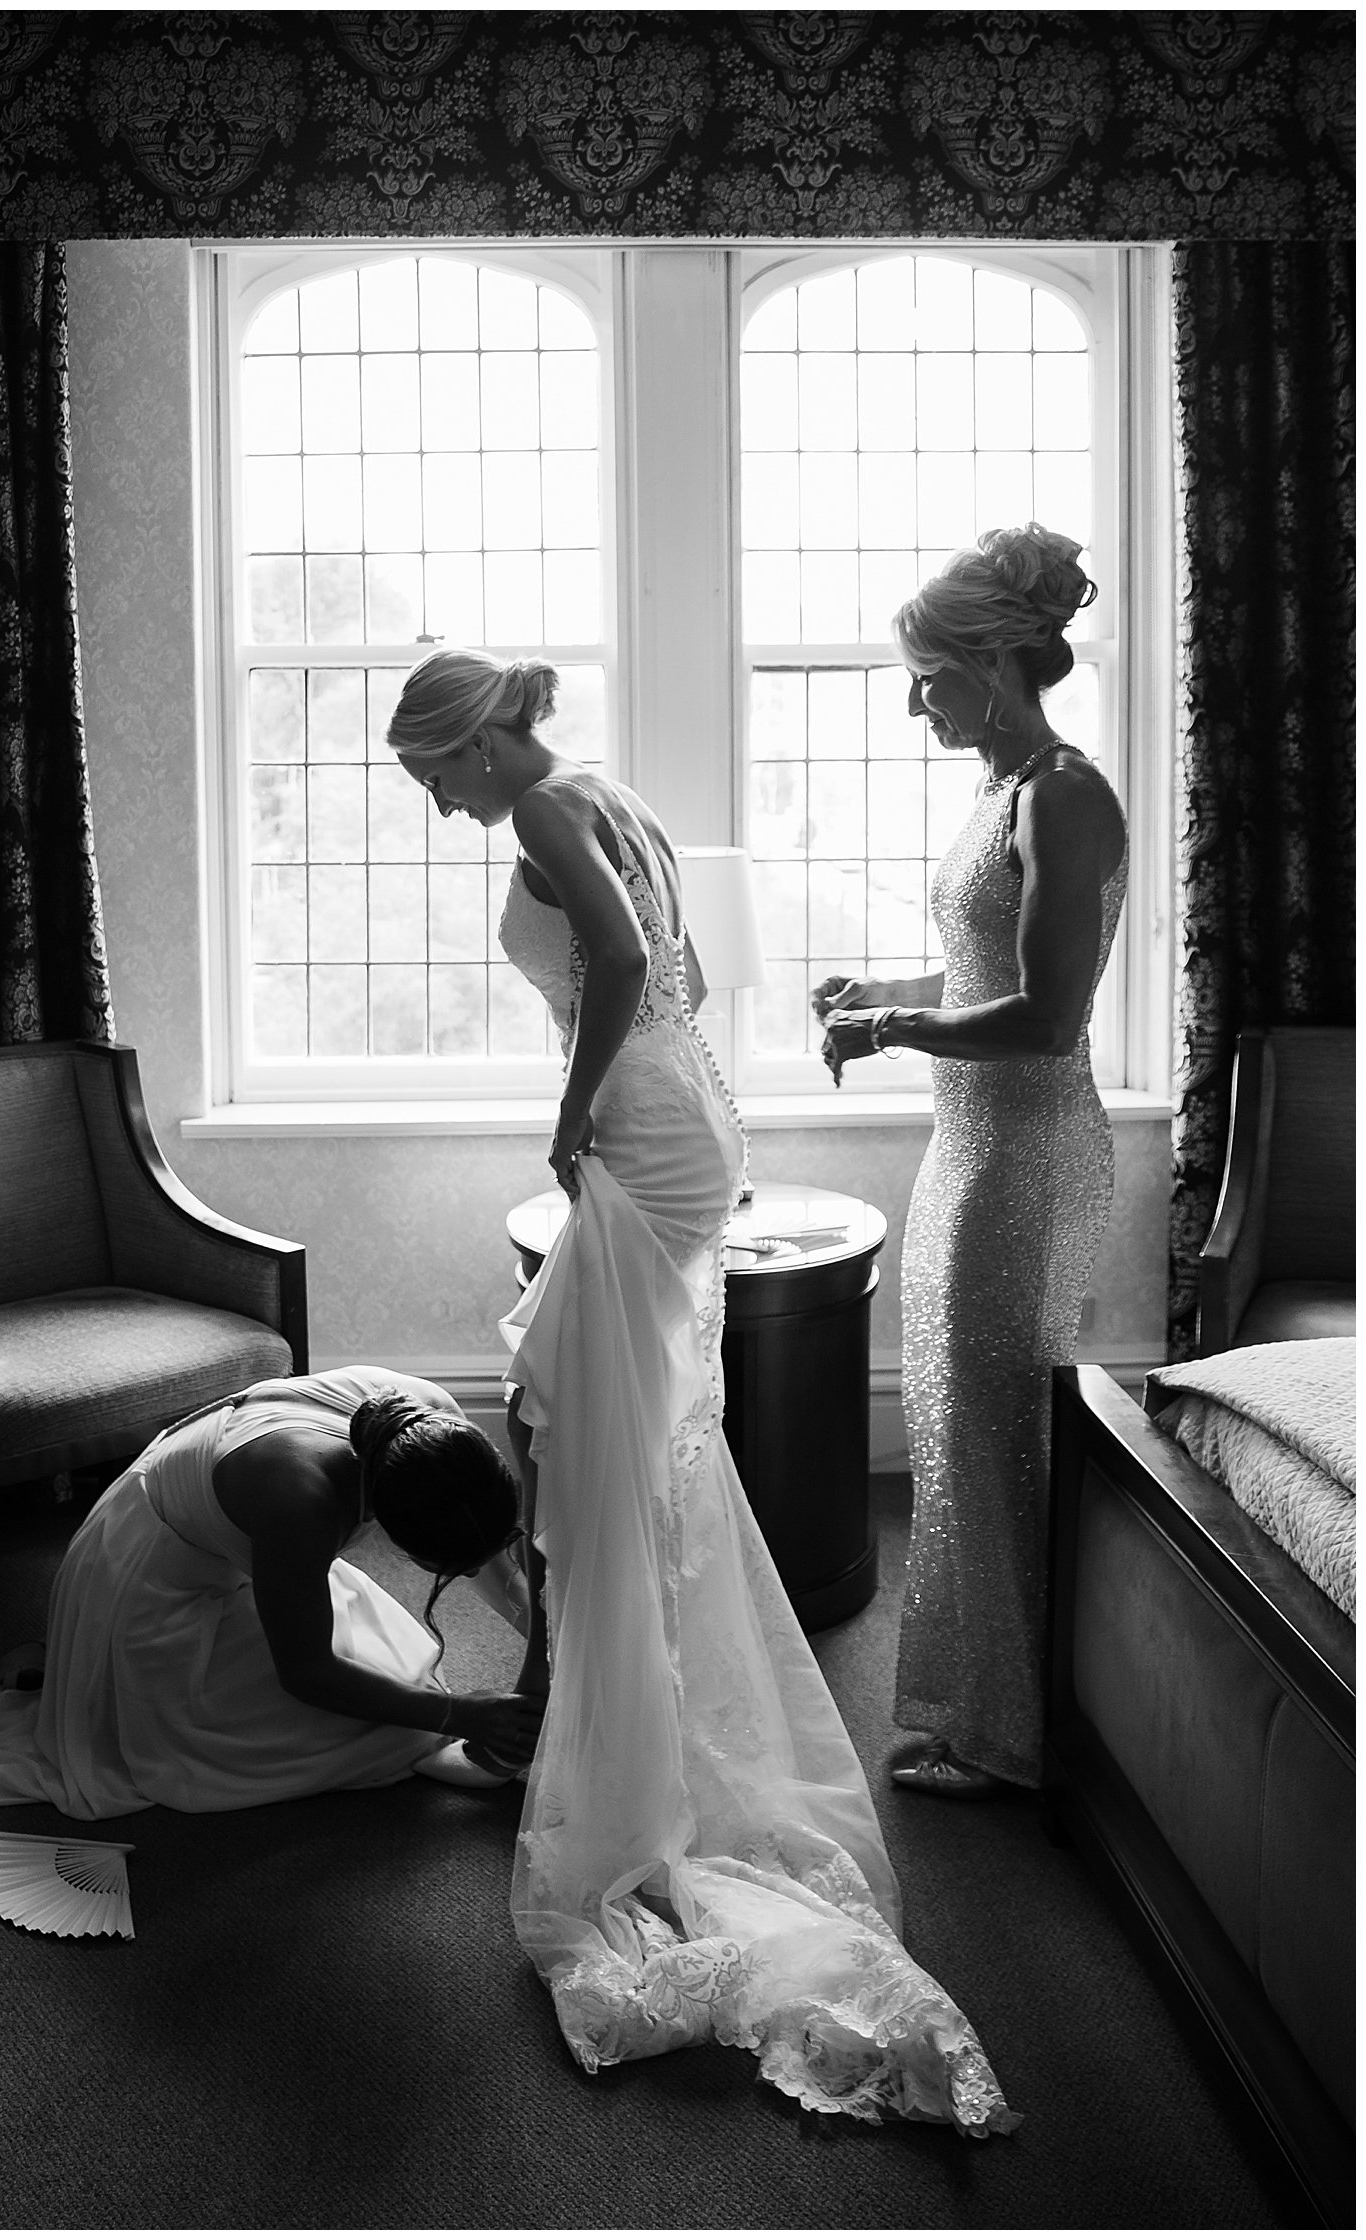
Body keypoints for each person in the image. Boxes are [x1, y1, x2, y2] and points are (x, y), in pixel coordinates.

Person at [388, 647, 1018, 2135]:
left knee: (609, 1441)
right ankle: (622, 1709)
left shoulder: (545, 811)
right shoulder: (599, 787)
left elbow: (615, 965)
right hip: (688, 1115)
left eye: (429, 783)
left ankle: (615, 1743)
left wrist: (565, 1111)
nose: (435, 810)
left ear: (468, 749)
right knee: (631, 1434)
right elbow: (676, 976)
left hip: (640, 1126)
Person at [816, 523, 1128, 1802]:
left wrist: (889, 1029)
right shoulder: (1001, 791)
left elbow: (1048, 1017)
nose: (913, 700)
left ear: (995, 663)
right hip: (969, 1142)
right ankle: (981, 1703)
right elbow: (984, 972)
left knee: (997, 1427)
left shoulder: (1067, 788)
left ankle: (1019, 1733)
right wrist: (880, 987)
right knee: (957, 1417)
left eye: (929, 674)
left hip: (1030, 1148)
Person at [0, 1366, 544, 1817]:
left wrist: (547, 1648)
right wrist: (462, 1716)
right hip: (148, 1582)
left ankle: (66, 1665)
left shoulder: (432, 1428)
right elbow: (307, 1674)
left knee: (393, 1671)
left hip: (230, 1544)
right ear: (392, 1528)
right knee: (339, 1731)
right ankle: (86, 1663)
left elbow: (484, 1552)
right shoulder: (300, 1499)